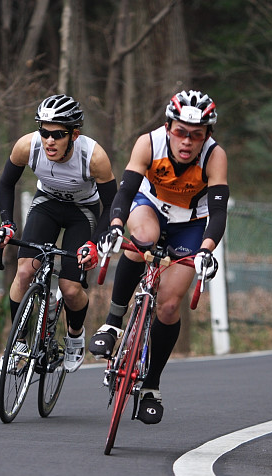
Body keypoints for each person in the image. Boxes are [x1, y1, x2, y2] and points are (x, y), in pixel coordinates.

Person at [86, 89, 228, 424]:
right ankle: (112, 323)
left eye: (197, 134)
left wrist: (206, 250)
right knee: (142, 240)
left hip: (190, 225)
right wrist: (115, 225)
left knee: (167, 305)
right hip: (148, 209)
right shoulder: (148, 143)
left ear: (207, 134)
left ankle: (151, 385)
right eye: (180, 131)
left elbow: (218, 214)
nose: (187, 141)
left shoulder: (215, 156)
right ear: (168, 127)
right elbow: (125, 191)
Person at [0, 94, 117, 374]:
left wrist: (95, 245)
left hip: (82, 212)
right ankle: (18, 343)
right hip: (46, 204)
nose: (49, 140)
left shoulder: (93, 156)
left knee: (71, 288)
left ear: (74, 134)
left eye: (57, 134)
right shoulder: (27, 146)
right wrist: (6, 223)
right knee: (24, 272)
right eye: (44, 132)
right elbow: (5, 184)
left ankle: (74, 335)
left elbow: (112, 204)